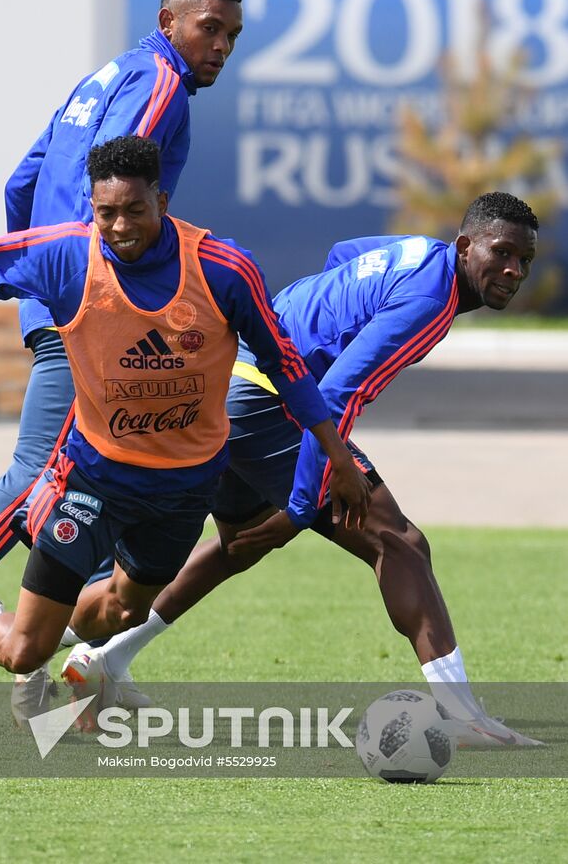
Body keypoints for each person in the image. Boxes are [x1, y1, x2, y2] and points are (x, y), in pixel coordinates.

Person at [0, 136, 371, 716]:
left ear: (162, 200)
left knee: (123, 612)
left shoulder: (221, 269)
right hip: (92, 478)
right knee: (22, 652)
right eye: (105, 212)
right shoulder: (67, 256)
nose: (119, 227)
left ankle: (41, 635)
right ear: (92, 206)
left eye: (134, 210)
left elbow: (284, 363)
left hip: (185, 489)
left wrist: (337, 455)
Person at [0, 0, 245, 726]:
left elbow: (25, 175)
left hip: (67, 289)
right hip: (94, 302)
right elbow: (112, 186)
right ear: (170, 20)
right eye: (210, 28)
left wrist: (35, 268)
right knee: (42, 471)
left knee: (111, 467)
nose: (221, 46)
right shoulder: (162, 87)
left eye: (232, 35)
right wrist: (85, 283)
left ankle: (69, 668)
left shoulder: (110, 71)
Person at [62, 191, 543, 748]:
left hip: (229, 378)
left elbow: (345, 254)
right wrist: (301, 503)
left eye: (524, 261)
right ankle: (462, 715)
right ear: (465, 246)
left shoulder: (417, 252)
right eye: (501, 252)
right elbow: (339, 394)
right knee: (399, 542)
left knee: (240, 543)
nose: (513, 269)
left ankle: (100, 658)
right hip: (269, 398)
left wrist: (317, 316)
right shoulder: (430, 300)